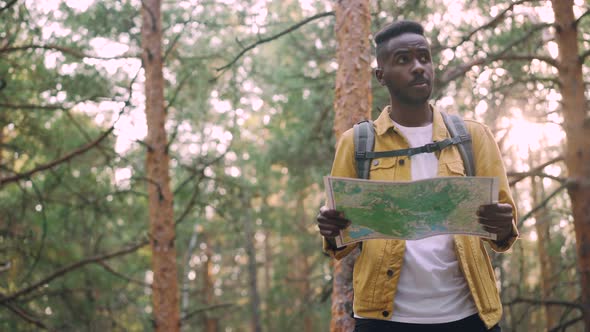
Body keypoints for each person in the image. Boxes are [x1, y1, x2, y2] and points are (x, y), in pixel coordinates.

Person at [316, 20, 518, 332]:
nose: (418, 67)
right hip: (383, 320)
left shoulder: (473, 137)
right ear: (380, 75)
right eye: (403, 59)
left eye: (424, 57)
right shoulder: (357, 144)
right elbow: (340, 246)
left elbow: (502, 235)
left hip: (468, 316)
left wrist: (504, 224)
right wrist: (331, 229)